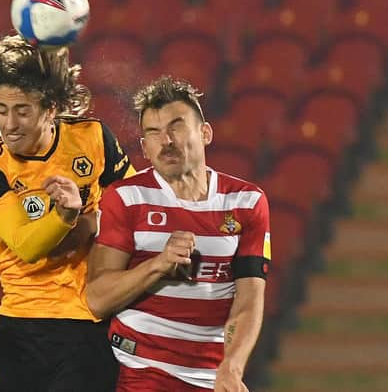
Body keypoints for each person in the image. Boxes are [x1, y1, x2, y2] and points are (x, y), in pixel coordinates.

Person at [0, 34, 135, 392]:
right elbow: (27, 245)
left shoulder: (93, 138)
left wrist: (92, 221)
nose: (9, 124)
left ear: (50, 108)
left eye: (22, 110)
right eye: (1, 109)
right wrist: (71, 217)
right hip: (19, 324)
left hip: (86, 323)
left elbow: (136, 209)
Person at [86, 76, 271, 392]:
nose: (166, 141)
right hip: (141, 370)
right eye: (153, 133)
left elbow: (249, 300)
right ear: (144, 147)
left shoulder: (247, 202)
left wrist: (232, 367)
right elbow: (97, 299)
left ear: (205, 133)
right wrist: (158, 264)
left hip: (214, 377)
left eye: (176, 126)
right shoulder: (127, 198)